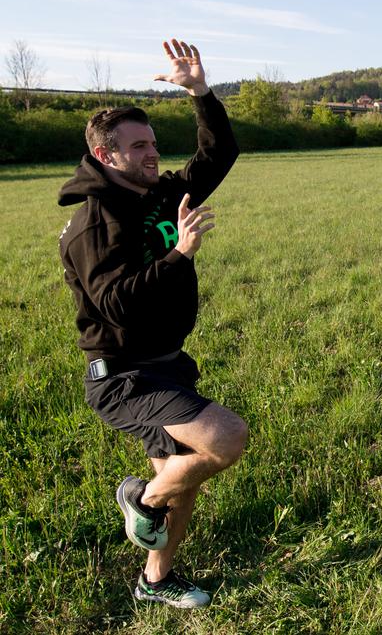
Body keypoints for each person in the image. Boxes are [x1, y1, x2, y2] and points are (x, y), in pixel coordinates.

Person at [58, 39, 245, 609]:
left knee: (182, 479)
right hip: (122, 375)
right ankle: (140, 499)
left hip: (164, 362)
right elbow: (117, 305)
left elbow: (218, 156)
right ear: (104, 153)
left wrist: (201, 93)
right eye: (138, 147)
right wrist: (178, 255)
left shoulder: (160, 194)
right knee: (224, 437)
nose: (151, 154)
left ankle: (155, 582)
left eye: (153, 144)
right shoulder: (93, 225)